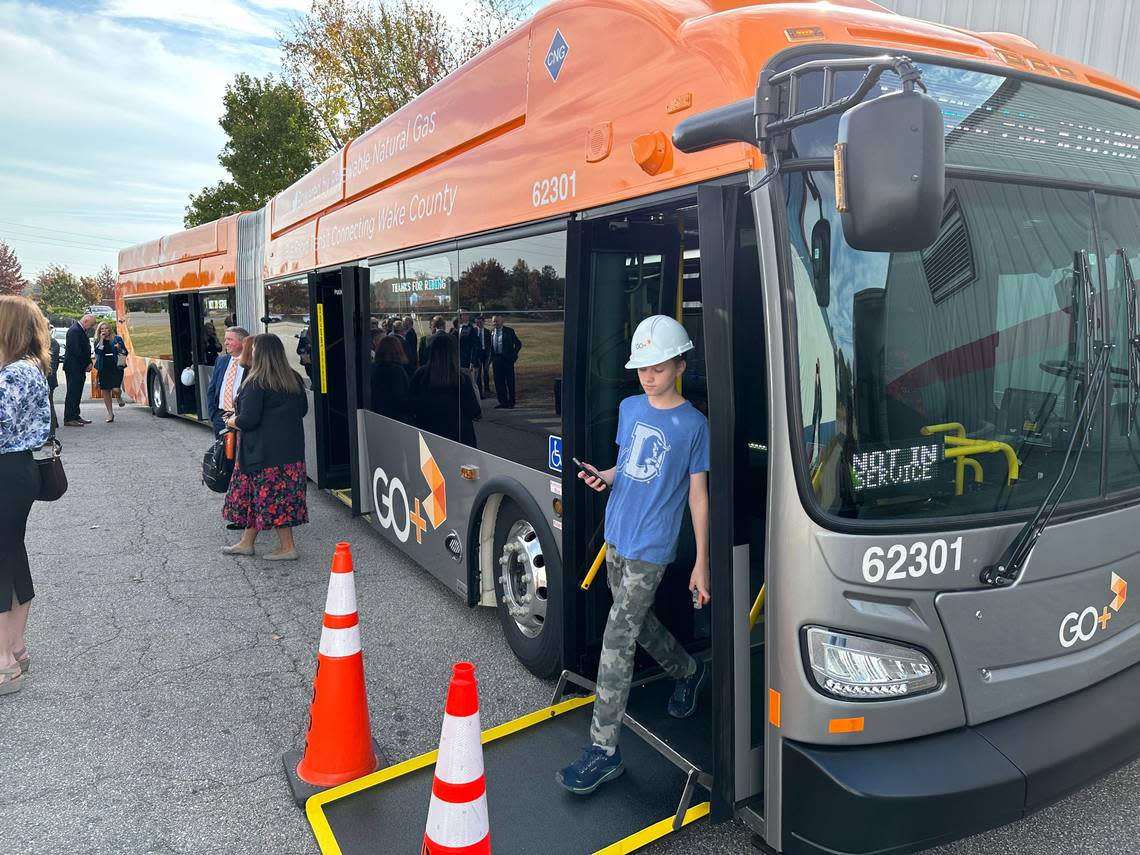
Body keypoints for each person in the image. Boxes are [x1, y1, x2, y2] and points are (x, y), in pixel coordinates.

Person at [556, 315, 710, 795]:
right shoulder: (628, 407)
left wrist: (702, 561)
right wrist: (604, 475)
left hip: (651, 549)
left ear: (680, 365)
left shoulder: (694, 425)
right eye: (642, 366)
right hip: (616, 537)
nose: (648, 375)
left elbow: (698, 497)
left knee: (616, 641)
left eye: (659, 367)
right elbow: (627, 468)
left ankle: (604, 751)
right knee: (637, 625)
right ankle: (688, 670)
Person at [0, 296, 52, 695]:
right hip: (20, 469)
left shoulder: (12, 374)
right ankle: (14, 649)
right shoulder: (30, 368)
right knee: (11, 554)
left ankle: (2, 662)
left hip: (6, 467)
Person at [221, 335, 308, 560]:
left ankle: (288, 548)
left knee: (271, 501)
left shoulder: (255, 383)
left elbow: (248, 420)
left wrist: (230, 421)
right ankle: (246, 542)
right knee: (265, 500)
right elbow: (302, 411)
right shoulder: (294, 379)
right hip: (290, 453)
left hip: (261, 454)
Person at [409, 332, 480, 446]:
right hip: (457, 435)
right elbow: (474, 410)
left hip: (428, 432)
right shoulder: (461, 378)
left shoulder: (421, 375)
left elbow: (411, 404)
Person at [206, 326, 248, 437]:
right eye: (225, 340)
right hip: (220, 417)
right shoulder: (221, 361)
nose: (226, 343)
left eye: (230, 339)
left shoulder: (251, 363)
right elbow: (212, 389)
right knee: (221, 452)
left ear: (243, 342)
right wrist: (213, 415)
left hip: (240, 418)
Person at [92, 322, 128, 423]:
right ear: (99, 331)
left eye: (106, 328)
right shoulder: (98, 340)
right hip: (104, 367)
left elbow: (125, 352)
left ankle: (118, 395)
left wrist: (119, 348)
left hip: (116, 366)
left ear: (110, 329)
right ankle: (110, 413)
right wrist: (102, 340)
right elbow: (98, 352)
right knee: (106, 390)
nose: (104, 331)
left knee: (116, 389)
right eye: (102, 329)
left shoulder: (117, 339)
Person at [62, 313, 94, 426]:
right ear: (85, 321)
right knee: (72, 392)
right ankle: (69, 418)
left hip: (78, 367)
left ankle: (75, 415)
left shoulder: (78, 329)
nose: (90, 328)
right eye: (90, 325)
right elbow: (76, 350)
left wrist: (88, 362)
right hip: (73, 367)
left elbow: (84, 349)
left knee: (77, 392)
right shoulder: (74, 331)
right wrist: (87, 363)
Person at [370, 335, 410, 422]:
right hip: (396, 419)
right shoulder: (397, 371)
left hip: (376, 415)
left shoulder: (373, 368)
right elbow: (400, 399)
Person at [490, 315, 522, 409]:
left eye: (497, 321)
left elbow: (518, 344)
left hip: (507, 360)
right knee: (499, 382)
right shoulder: (492, 332)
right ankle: (502, 402)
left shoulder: (509, 331)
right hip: (496, 359)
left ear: (502, 321)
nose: (495, 323)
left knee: (510, 381)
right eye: (494, 321)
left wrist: (513, 355)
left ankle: (511, 402)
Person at [46, 319, 60, 431]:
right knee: (49, 402)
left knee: (48, 403)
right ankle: (53, 423)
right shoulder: (50, 342)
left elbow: (51, 363)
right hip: (48, 377)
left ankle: (51, 433)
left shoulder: (51, 343)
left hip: (48, 378)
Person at [473, 316, 492, 397]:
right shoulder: (473, 331)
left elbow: (491, 344)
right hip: (477, 354)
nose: (478, 324)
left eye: (480, 322)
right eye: (477, 322)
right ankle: (479, 390)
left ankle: (487, 389)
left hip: (486, 353)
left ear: (484, 322)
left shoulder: (488, 332)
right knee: (478, 372)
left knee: (486, 371)